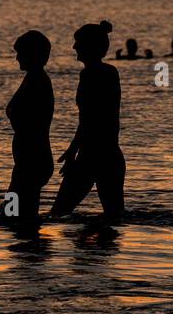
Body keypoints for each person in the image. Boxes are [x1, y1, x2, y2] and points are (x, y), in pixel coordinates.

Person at [50, 20, 125, 220]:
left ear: (89, 46)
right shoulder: (111, 72)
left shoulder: (90, 75)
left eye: (78, 42)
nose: (74, 47)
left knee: (57, 215)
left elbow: (90, 119)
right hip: (111, 155)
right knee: (115, 218)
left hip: (92, 156)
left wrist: (73, 150)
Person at [0, 31, 55, 230]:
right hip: (26, 162)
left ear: (33, 54)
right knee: (16, 214)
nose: (16, 58)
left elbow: (32, 120)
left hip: (33, 161)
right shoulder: (32, 78)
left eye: (20, 53)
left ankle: (31, 253)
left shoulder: (38, 80)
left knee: (16, 216)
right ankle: (29, 251)